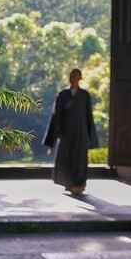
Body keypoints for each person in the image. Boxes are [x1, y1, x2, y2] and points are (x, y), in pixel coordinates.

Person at [43, 68, 97, 196]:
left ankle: (79, 185)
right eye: (72, 76)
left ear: (80, 78)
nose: (74, 79)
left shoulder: (85, 95)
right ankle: (69, 184)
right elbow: (55, 117)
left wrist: (91, 139)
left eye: (77, 76)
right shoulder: (62, 95)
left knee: (80, 159)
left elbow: (89, 116)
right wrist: (52, 140)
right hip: (66, 133)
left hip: (81, 133)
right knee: (66, 159)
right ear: (69, 78)